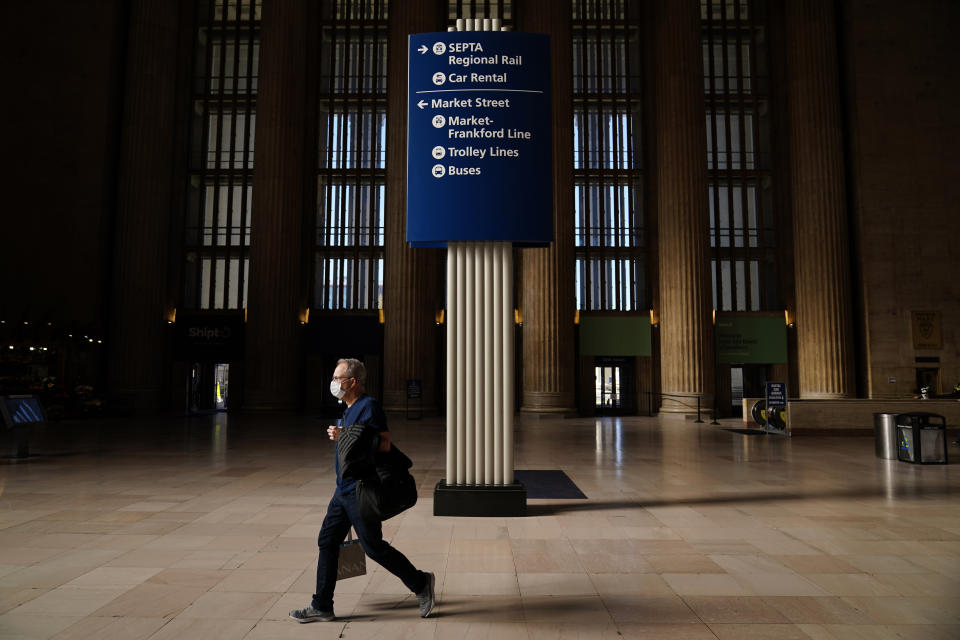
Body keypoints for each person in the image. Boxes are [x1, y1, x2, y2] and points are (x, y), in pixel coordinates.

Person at [289, 358, 435, 622]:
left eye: (337, 378)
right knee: (327, 541)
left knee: (374, 548)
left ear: (352, 381)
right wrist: (342, 433)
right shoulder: (348, 408)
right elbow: (352, 441)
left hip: (360, 490)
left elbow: (386, 444)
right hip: (342, 491)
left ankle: (421, 583)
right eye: (334, 378)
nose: (334, 383)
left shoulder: (370, 407)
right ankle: (322, 604)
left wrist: (344, 435)